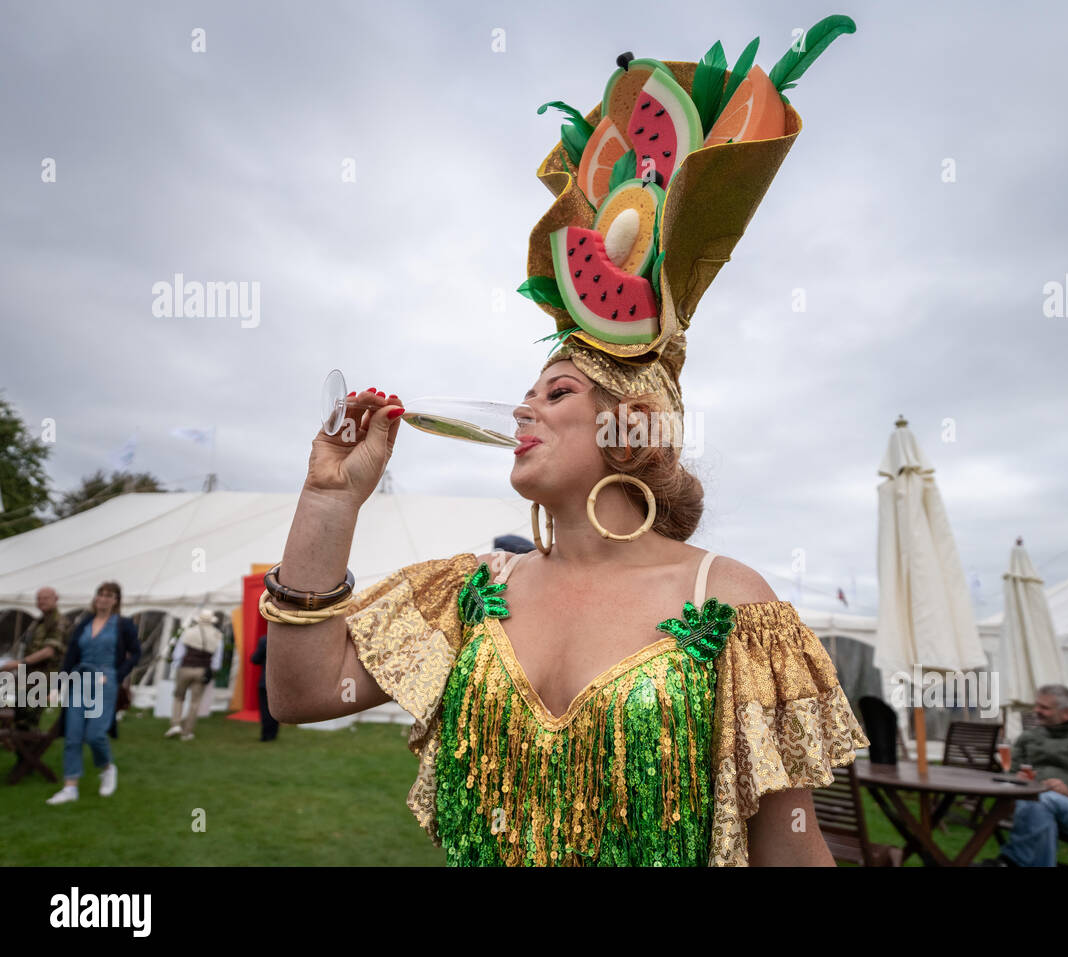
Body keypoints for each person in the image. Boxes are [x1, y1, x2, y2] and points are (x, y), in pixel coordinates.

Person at [259, 20, 866, 866]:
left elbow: (789, 850)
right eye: (527, 392)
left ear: (633, 428)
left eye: (558, 391)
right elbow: (301, 689)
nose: (523, 409)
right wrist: (329, 499)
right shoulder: (471, 593)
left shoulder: (729, 601)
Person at [979, 684, 1068, 866]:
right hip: (1033, 804)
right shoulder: (1028, 738)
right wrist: (1016, 779)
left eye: (1044, 708)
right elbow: (1010, 773)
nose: (1036, 711)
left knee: (1040, 800)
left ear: (1067, 713)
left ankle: (1012, 861)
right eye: (1037, 705)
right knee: (1038, 802)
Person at [46, 581, 140, 805]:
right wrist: (57, 686)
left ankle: (107, 768)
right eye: (101, 594)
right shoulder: (84, 623)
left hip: (105, 681)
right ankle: (70, 787)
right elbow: (71, 656)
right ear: (96, 597)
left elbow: (136, 653)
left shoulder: (123, 624)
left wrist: (118, 675)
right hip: (79, 679)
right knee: (73, 735)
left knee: (95, 735)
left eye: (109, 595)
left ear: (116, 600)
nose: (104, 598)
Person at [0, 587, 68, 731]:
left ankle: (29, 751)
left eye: (45, 598)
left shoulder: (57, 621)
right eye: (39, 598)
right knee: (19, 718)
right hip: (29, 678)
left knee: (27, 723)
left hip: (43, 678)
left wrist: (19, 664)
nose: (41, 601)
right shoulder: (40, 621)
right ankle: (20, 747)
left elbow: (49, 651)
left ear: (56, 599)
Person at [165, 609, 223, 741]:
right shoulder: (217, 635)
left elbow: (179, 653)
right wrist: (212, 670)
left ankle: (176, 723)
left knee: (179, 696)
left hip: (185, 668)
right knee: (195, 702)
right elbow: (217, 659)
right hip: (202, 670)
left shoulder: (188, 632)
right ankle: (187, 731)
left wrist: (176, 665)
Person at [249, 632, 277, 741]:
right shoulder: (287, 640)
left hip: (266, 680)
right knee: (275, 707)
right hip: (279, 681)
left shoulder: (265, 640)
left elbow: (255, 659)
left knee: (266, 708)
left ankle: (266, 734)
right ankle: (273, 733)